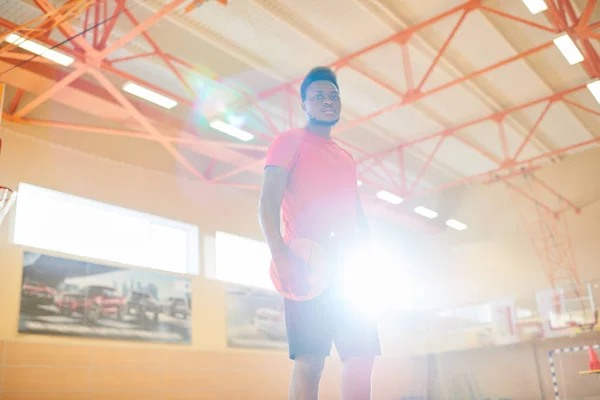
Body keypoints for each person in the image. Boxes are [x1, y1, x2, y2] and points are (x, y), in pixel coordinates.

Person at [258, 66, 381, 400]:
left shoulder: (346, 157)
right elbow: (267, 205)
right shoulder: (288, 142)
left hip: (349, 271)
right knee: (310, 364)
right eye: (319, 96)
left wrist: (369, 260)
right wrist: (280, 257)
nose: (328, 101)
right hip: (306, 265)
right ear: (304, 105)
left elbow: (358, 216)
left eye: (334, 96)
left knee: (362, 357)